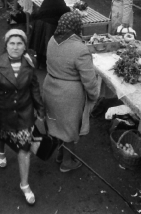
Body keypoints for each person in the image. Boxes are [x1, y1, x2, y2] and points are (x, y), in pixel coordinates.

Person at [0, 29, 45, 206]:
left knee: (24, 149)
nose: (15, 47)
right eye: (12, 43)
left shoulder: (30, 64)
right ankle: (1, 151)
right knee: (1, 135)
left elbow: (34, 88)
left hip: (24, 113)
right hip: (2, 111)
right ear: (6, 44)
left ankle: (24, 184)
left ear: (24, 46)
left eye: (19, 43)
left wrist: (40, 109)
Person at [42, 12, 99, 172]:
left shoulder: (52, 40)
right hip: (69, 95)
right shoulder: (80, 49)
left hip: (50, 87)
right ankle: (67, 162)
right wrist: (94, 96)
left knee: (57, 124)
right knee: (69, 129)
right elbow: (89, 80)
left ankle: (60, 154)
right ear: (77, 27)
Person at [28, 0, 71, 68]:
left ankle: (39, 62)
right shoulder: (58, 0)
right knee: (46, 44)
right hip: (49, 25)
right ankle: (45, 63)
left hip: (39, 24)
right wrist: (69, 9)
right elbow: (64, 10)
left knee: (39, 43)